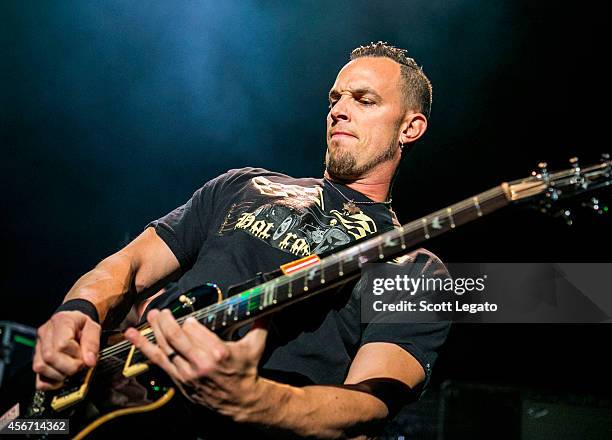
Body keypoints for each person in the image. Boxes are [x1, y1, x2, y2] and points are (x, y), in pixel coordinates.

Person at [33, 42, 450, 438]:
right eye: (335, 99)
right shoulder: (243, 184)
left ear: (410, 128)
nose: (339, 111)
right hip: (107, 405)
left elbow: (369, 406)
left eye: (364, 100)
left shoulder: (414, 268)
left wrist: (256, 401)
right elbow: (129, 264)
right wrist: (78, 310)